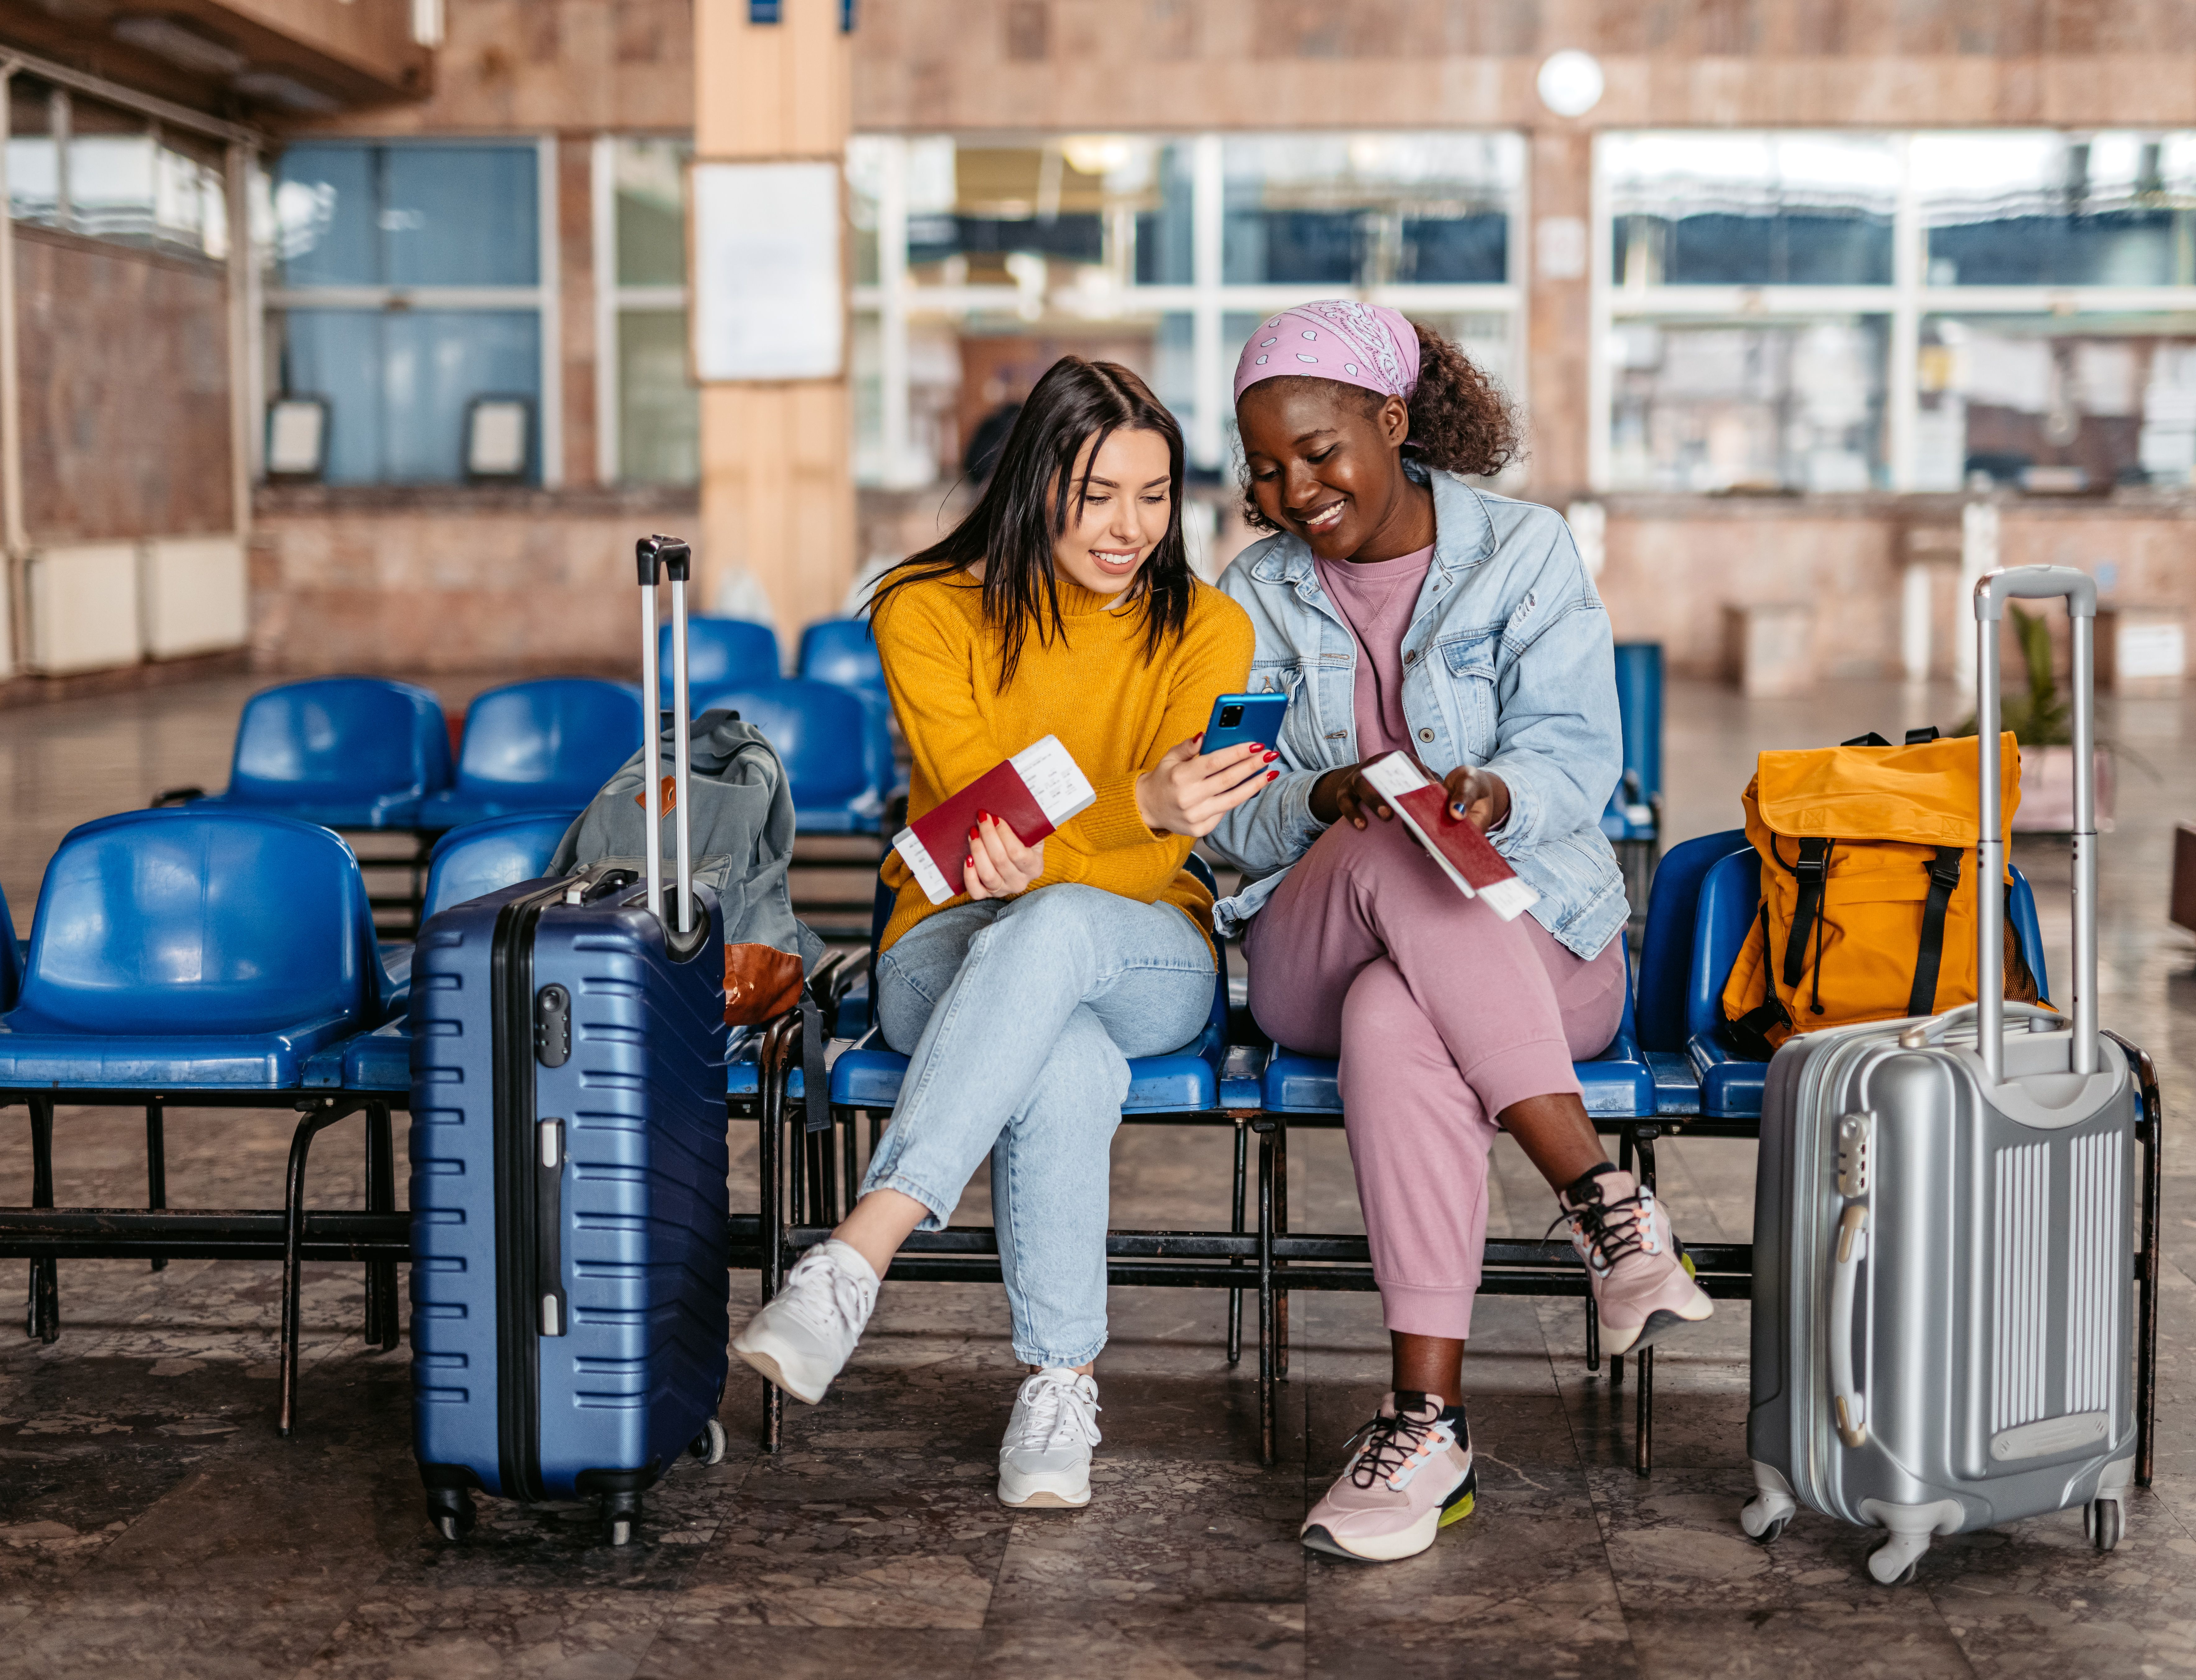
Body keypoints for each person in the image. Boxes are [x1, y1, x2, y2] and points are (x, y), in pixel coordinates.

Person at [1207, 302, 1711, 1564]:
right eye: (1265, 468)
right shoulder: (1249, 592)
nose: (1293, 490)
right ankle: (1604, 1201)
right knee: (1385, 818)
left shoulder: (1524, 554)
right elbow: (1234, 817)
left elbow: (1577, 754)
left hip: (1537, 942)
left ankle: (1423, 1428)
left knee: (1398, 1010)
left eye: (1320, 452)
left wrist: (1496, 795)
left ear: (1391, 422)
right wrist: (1326, 799)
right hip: (1309, 946)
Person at [733, 357, 1268, 1512]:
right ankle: (1057, 1388)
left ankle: (855, 1258)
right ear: (1035, 485)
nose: (1131, 527)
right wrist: (1135, 804)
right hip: (948, 937)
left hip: (1145, 949)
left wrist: (1110, 831)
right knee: (1060, 1051)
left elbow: (1135, 865)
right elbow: (984, 832)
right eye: (1097, 494)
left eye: (1155, 493)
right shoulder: (926, 612)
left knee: (1066, 918)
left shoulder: (1209, 630)